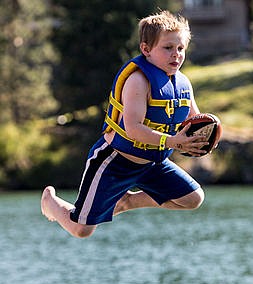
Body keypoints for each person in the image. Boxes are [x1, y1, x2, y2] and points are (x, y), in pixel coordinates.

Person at [41, 10, 209, 238]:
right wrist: (173, 142)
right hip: (115, 161)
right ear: (146, 49)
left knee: (193, 198)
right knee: (82, 229)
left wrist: (204, 138)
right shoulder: (138, 81)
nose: (176, 55)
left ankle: (127, 202)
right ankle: (50, 203)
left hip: (152, 163)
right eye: (168, 48)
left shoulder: (183, 84)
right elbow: (133, 129)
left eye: (180, 49)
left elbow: (194, 121)